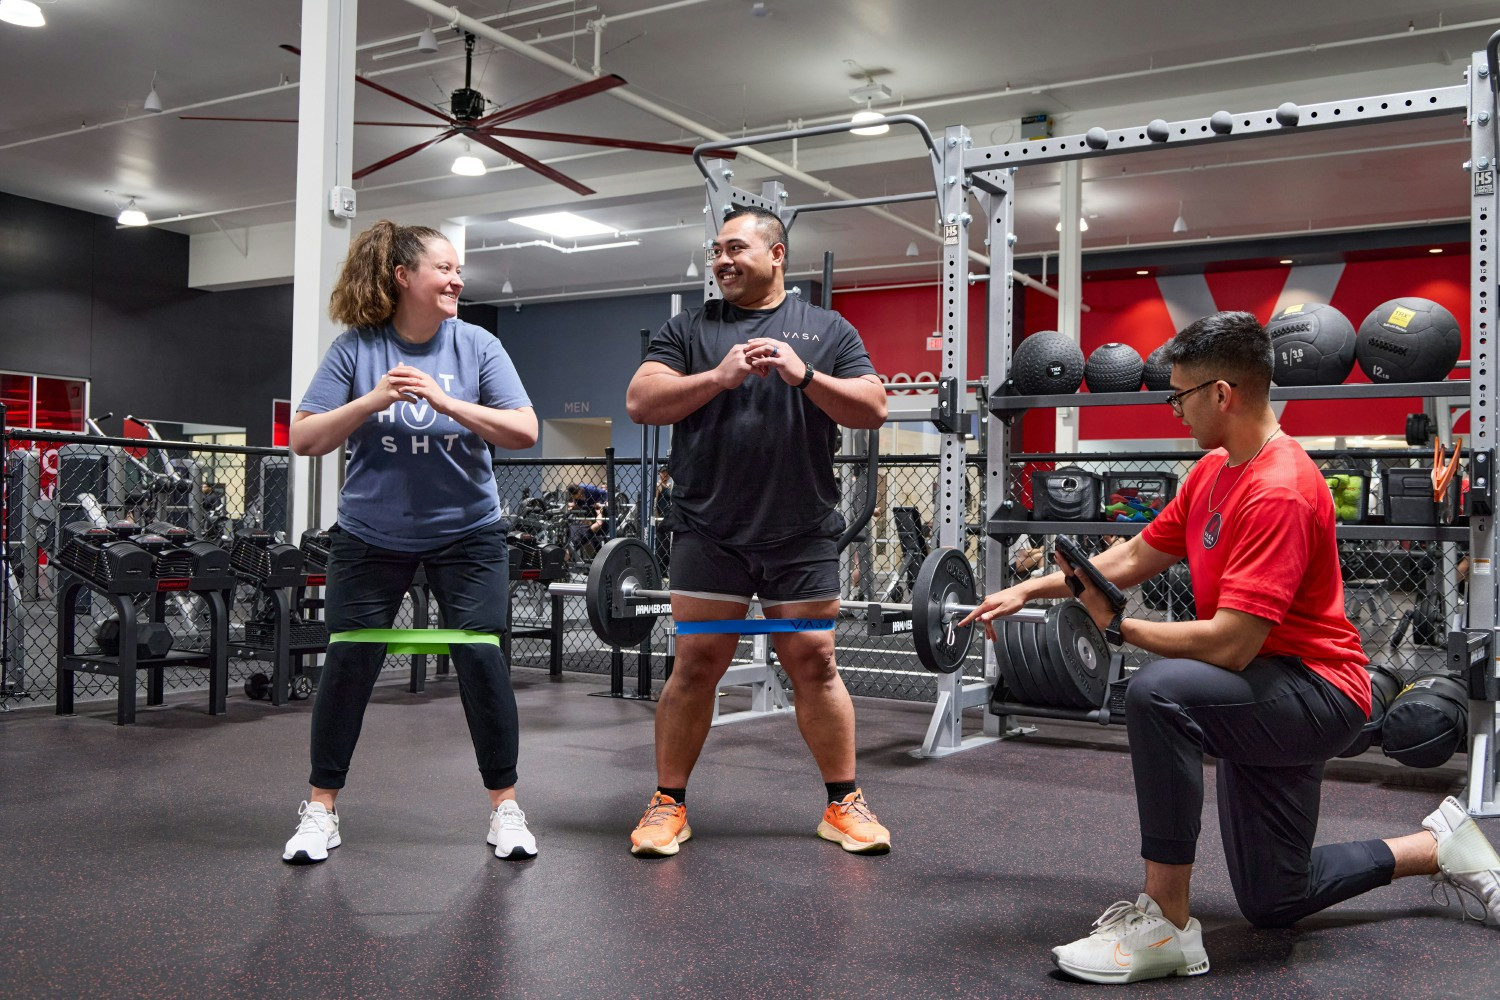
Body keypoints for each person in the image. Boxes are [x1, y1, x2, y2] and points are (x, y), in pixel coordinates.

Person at [962, 311, 1500, 983]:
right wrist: (1034, 590)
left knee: (1160, 694)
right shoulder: (1215, 472)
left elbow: (1232, 645)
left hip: (1316, 691)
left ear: (1222, 394)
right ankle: (1439, 845)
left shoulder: (1280, 489)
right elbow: (1134, 553)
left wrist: (1112, 628)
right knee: (1278, 897)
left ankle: (1166, 923)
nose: (1173, 411)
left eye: (1179, 396)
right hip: (1266, 691)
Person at [623, 206, 891, 857]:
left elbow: (874, 407)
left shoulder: (828, 329)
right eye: (716, 249)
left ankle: (843, 804)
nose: (722, 260)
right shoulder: (689, 328)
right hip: (708, 530)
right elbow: (640, 400)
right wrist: (718, 377)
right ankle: (668, 805)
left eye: (736, 248)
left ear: (777, 254)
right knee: (696, 664)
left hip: (800, 532)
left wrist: (805, 375)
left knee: (815, 661)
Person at [281, 220, 540, 864]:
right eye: (445, 269)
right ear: (404, 277)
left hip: (468, 534)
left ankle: (504, 807)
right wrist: (371, 400)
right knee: (348, 663)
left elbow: (524, 430)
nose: (457, 280)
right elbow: (305, 439)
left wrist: (449, 405)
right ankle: (320, 810)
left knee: (482, 661)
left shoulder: (476, 346)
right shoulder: (358, 348)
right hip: (371, 535)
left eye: (459, 271)